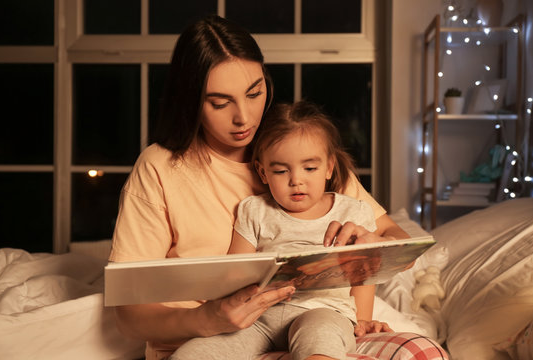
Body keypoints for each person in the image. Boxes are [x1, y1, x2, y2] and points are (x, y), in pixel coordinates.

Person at [109, 14, 448, 360]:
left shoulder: (300, 147)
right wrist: (207, 317)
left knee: (422, 352)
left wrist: (375, 246)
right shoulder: (160, 168)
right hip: (216, 341)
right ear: (190, 101)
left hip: (316, 329)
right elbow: (129, 316)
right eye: (220, 102)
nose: (244, 117)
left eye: (255, 92)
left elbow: (400, 247)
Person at [171, 101, 394, 360]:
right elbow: (237, 271)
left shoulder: (353, 212)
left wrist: (363, 319)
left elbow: (363, 275)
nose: (296, 180)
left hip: (323, 312)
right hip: (258, 317)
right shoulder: (253, 210)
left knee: (320, 341)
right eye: (280, 170)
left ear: (329, 167)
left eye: (310, 168)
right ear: (262, 172)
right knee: (191, 354)